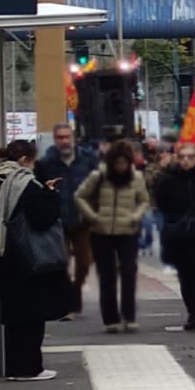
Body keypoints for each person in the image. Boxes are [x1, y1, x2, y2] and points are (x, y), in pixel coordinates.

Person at [0, 139, 75, 379]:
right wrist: (50, 194)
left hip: (2, 254)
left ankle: (10, 365)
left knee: (12, 316)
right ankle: (28, 368)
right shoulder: (24, 183)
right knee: (31, 316)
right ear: (25, 160)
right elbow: (41, 218)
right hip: (27, 259)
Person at [74, 140, 151, 333]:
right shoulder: (99, 176)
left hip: (127, 232)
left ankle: (129, 315)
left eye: (124, 163)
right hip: (101, 233)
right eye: (117, 163)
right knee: (106, 275)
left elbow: (144, 200)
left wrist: (135, 216)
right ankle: (110, 319)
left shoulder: (136, 178)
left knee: (128, 272)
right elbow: (79, 196)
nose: (121, 167)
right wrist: (92, 216)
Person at [153, 139, 195, 332]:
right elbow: (161, 201)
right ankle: (194, 312)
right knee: (186, 275)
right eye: (182, 157)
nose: (185, 161)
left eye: (190, 157)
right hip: (180, 235)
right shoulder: (168, 179)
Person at [35, 123, 98, 314]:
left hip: (83, 219)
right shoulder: (47, 163)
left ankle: (76, 288)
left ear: (73, 138)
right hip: (58, 220)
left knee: (84, 261)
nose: (64, 141)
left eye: (66, 137)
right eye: (60, 137)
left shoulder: (87, 160)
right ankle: (66, 295)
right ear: (55, 140)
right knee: (60, 260)